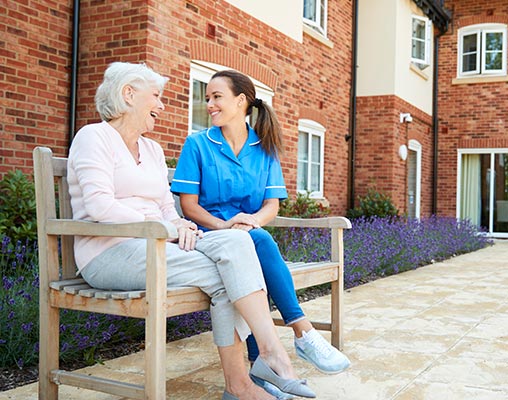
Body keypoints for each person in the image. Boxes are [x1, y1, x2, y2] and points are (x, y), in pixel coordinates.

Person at [67, 62, 315, 400]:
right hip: (108, 253)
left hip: (157, 246)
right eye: (155, 96)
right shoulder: (94, 137)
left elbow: (167, 207)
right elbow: (99, 205)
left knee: (237, 242)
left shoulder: (152, 149)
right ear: (128, 95)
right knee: (229, 271)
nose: (162, 105)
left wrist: (181, 224)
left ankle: (251, 374)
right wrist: (167, 228)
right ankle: (263, 366)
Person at [170, 70, 351, 382]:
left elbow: (271, 205)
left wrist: (250, 222)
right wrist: (226, 225)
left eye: (217, 97)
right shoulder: (197, 144)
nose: (210, 104)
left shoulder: (264, 148)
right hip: (207, 235)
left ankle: (262, 370)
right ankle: (302, 331)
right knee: (260, 243)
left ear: (241, 101)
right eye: (208, 98)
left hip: (248, 235)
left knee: (254, 245)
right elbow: (189, 206)